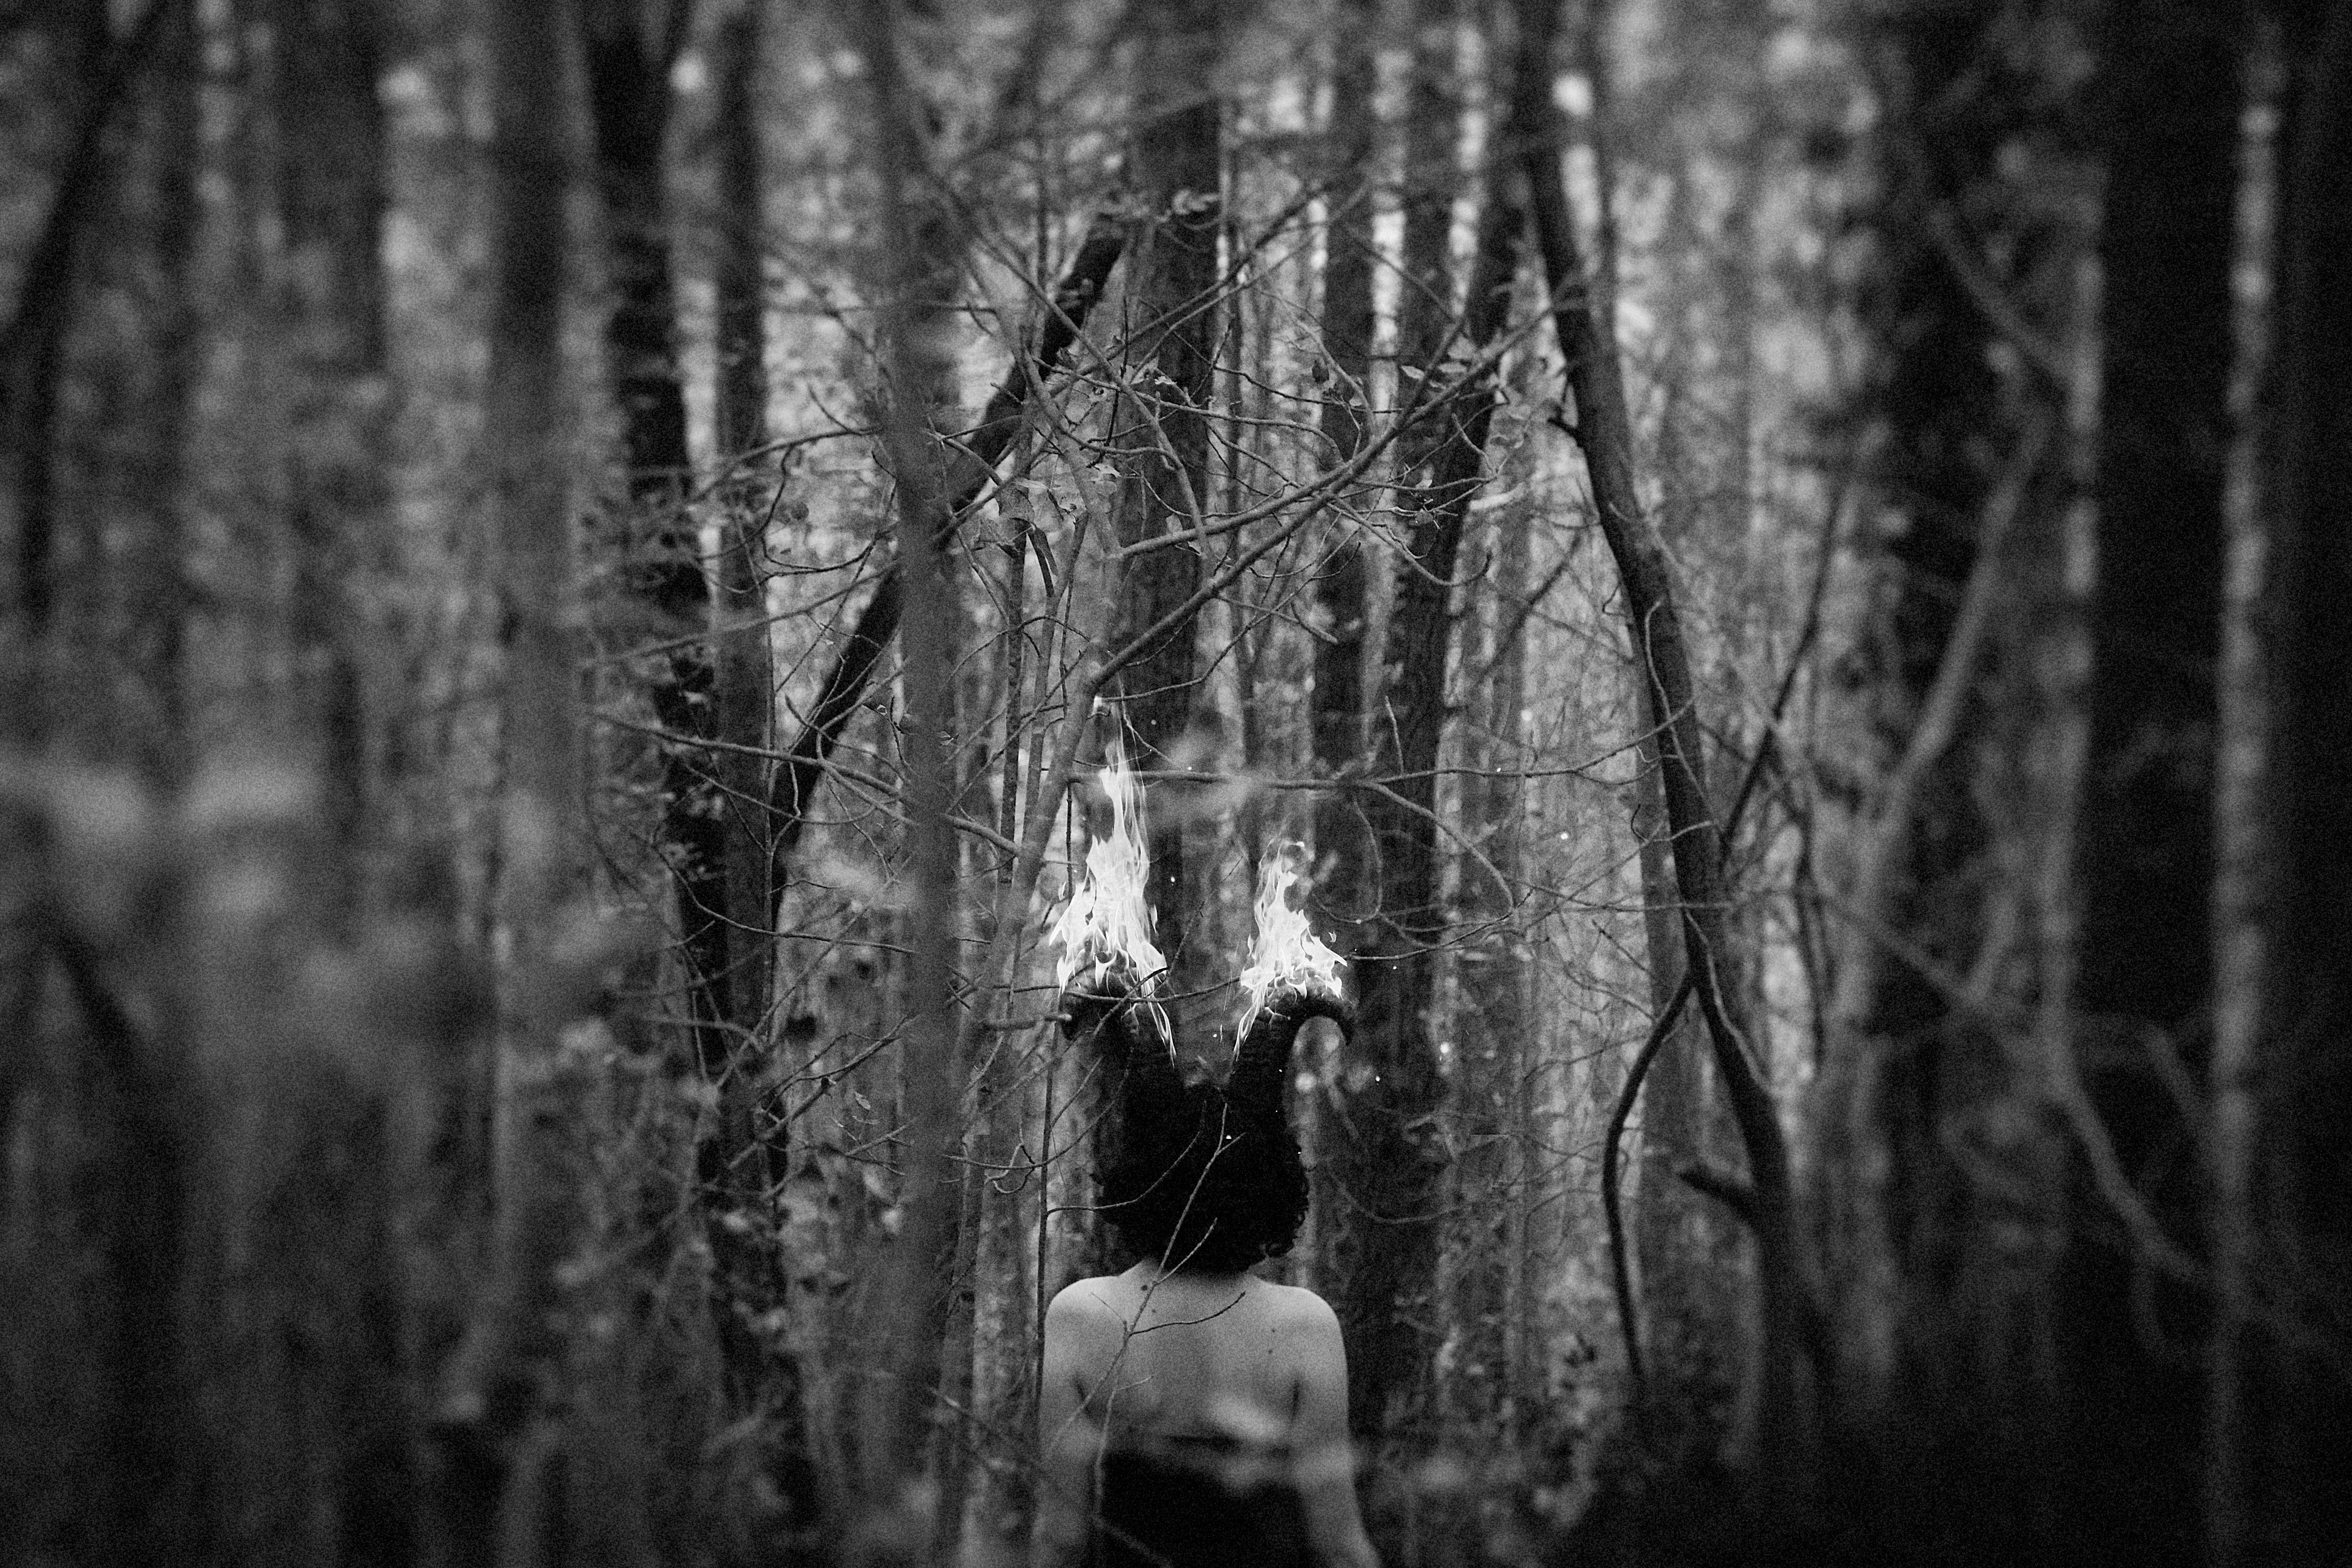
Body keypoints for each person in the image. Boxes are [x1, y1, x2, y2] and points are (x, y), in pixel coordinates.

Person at [1032, 970, 1381, 1568]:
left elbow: (1060, 1539)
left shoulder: (1080, 1314)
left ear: (1139, 1180)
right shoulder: (1304, 1324)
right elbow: (1338, 1543)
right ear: (1268, 1184)